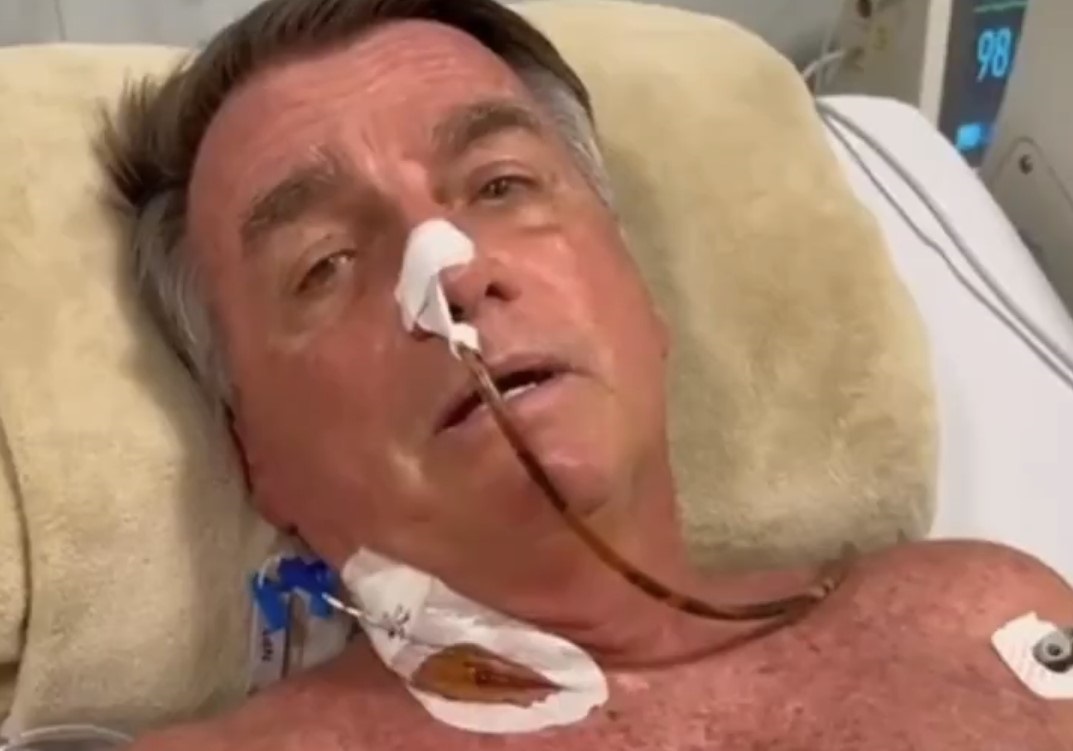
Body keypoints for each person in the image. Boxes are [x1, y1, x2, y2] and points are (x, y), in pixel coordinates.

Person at [98, 0, 1073, 748]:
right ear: (256, 457)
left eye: (500, 184)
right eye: (324, 264)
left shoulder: (980, 625)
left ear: (639, 297)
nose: (449, 272)